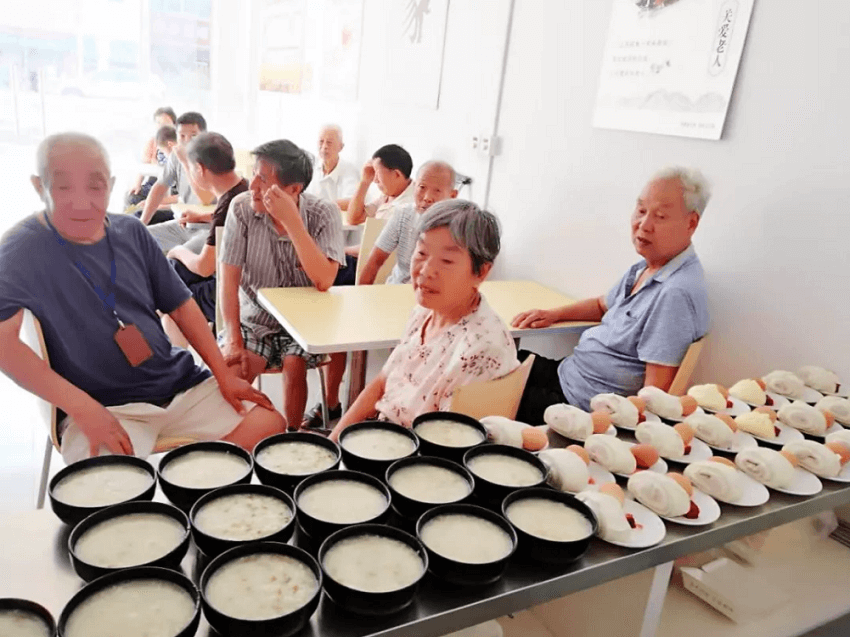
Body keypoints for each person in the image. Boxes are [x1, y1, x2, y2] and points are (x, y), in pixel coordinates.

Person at [0, 133, 284, 463]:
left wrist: (222, 374)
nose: (81, 202)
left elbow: (182, 306)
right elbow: (5, 343)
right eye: (64, 187)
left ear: (111, 184)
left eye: (95, 187)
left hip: (177, 385)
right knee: (104, 479)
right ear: (39, 186)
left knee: (269, 425)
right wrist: (80, 406)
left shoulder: (131, 231)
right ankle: (182, 475)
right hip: (103, 404)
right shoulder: (19, 250)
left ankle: (182, 478)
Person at [511, 167, 711, 422]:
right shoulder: (647, 267)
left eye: (660, 216)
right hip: (568, 373)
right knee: (492, 356)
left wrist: (596, 429)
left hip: (575, 406)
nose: (644, 225)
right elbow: (601, 305)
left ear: (691, 223)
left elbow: (653, 399)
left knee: (481, 384)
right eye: (641, 210)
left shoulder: (675, 294)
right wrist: (553, 315)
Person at [329, 200, 518, 440]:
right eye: (421, 253)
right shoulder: (425, 311)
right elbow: (382, 382)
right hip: (383, 435)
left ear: (481, 272)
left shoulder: (481, 349)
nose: (426, 270)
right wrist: (333, 442)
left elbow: (446, 447)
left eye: (446, 261)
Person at [219, 139, 346, 431]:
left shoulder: (323, 213)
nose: (252, 186)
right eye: (253, 175)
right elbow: (228, 282)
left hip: (305, 323)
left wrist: (292, 222)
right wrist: (234, 338)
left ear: (294, 190)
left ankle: (291, 435)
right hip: (255, 319)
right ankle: (230, 437)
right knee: (235, 369)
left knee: (294, 363)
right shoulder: (241, 209)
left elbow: (324, 280)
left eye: (263, 180)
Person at [162, 132, 248, 347]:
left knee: (172, 299)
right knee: (172, 273)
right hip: (240, 280)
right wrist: (202, 217)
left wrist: (178, 250)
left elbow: (204, 267)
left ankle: (178, 362)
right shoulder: (243, 188)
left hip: (236, 292)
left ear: (199, 169)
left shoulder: (227, 208)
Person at [359, 160, 458, 285]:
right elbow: (375, 261)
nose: (427, 197)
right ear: (414, 186)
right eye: (422, 187)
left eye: (437, 191)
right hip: (396, 288)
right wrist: (361, 293)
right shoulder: (403, 214)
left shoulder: (459, 226)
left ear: (452, 195)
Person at [141, 112, 216, 253]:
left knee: (178, 257)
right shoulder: (176, 157)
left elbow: (205, 199)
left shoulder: (213, 158)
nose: (187, 141)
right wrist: (142, 223)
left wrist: (186, 162)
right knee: (134, 239)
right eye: (182, 136)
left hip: (207, 229)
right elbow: (159, 188)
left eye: (193, 136)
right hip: (181, 226)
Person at [345, 144, 415, 226]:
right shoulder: (387, 197)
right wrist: (364, 182)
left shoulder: (413, 203)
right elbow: (353, 219)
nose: (375, 180)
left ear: (396, 174)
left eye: (377, 173)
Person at [125, 106, 176, 209]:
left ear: (174, 124)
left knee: (160, 204)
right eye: (158, 122)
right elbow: (144, 166)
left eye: (166, 122)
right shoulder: (152, 142)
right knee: (132, 198)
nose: (162, 126)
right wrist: (137, 184)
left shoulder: (180, 143)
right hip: (155, 182)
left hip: (174, 186)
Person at [305, 124, 359, 210]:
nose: (324, 147)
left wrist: (320, 206)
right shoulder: (311, 167)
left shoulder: (349, 170)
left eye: (329, 143)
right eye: (321, 142)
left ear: (341, 147)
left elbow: (352, 202)